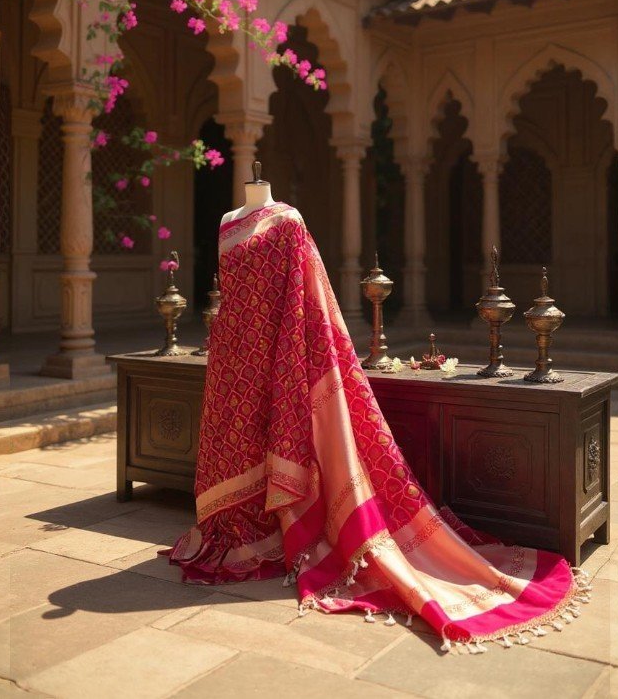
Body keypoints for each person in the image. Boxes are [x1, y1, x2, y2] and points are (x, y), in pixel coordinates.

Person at [158, 166, 589, 654]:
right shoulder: (227, 220)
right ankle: (240, 529)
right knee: (237, 446)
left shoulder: (289, 221)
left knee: (281, 440)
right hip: (235, 361)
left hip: (280, 354)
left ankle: (281, 531)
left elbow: (305, 299)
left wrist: (291, 360)